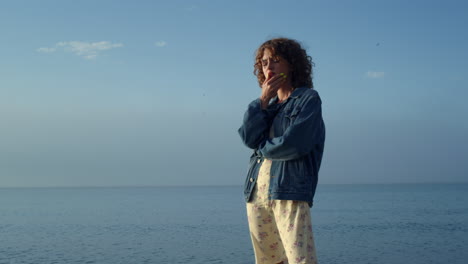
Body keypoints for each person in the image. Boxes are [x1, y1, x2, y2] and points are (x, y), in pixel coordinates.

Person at [238, 38, 325, 264]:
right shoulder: (269, 106)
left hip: (289, 190)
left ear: (292, 64)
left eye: (276, 60)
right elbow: (248, 137)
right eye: (264, 62)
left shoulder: (307, 99)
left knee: (300, 259)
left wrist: (262, 148)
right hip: (256, 192)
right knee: (268, 260)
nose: (268, 66)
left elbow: (296, 143)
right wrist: (263, 99)